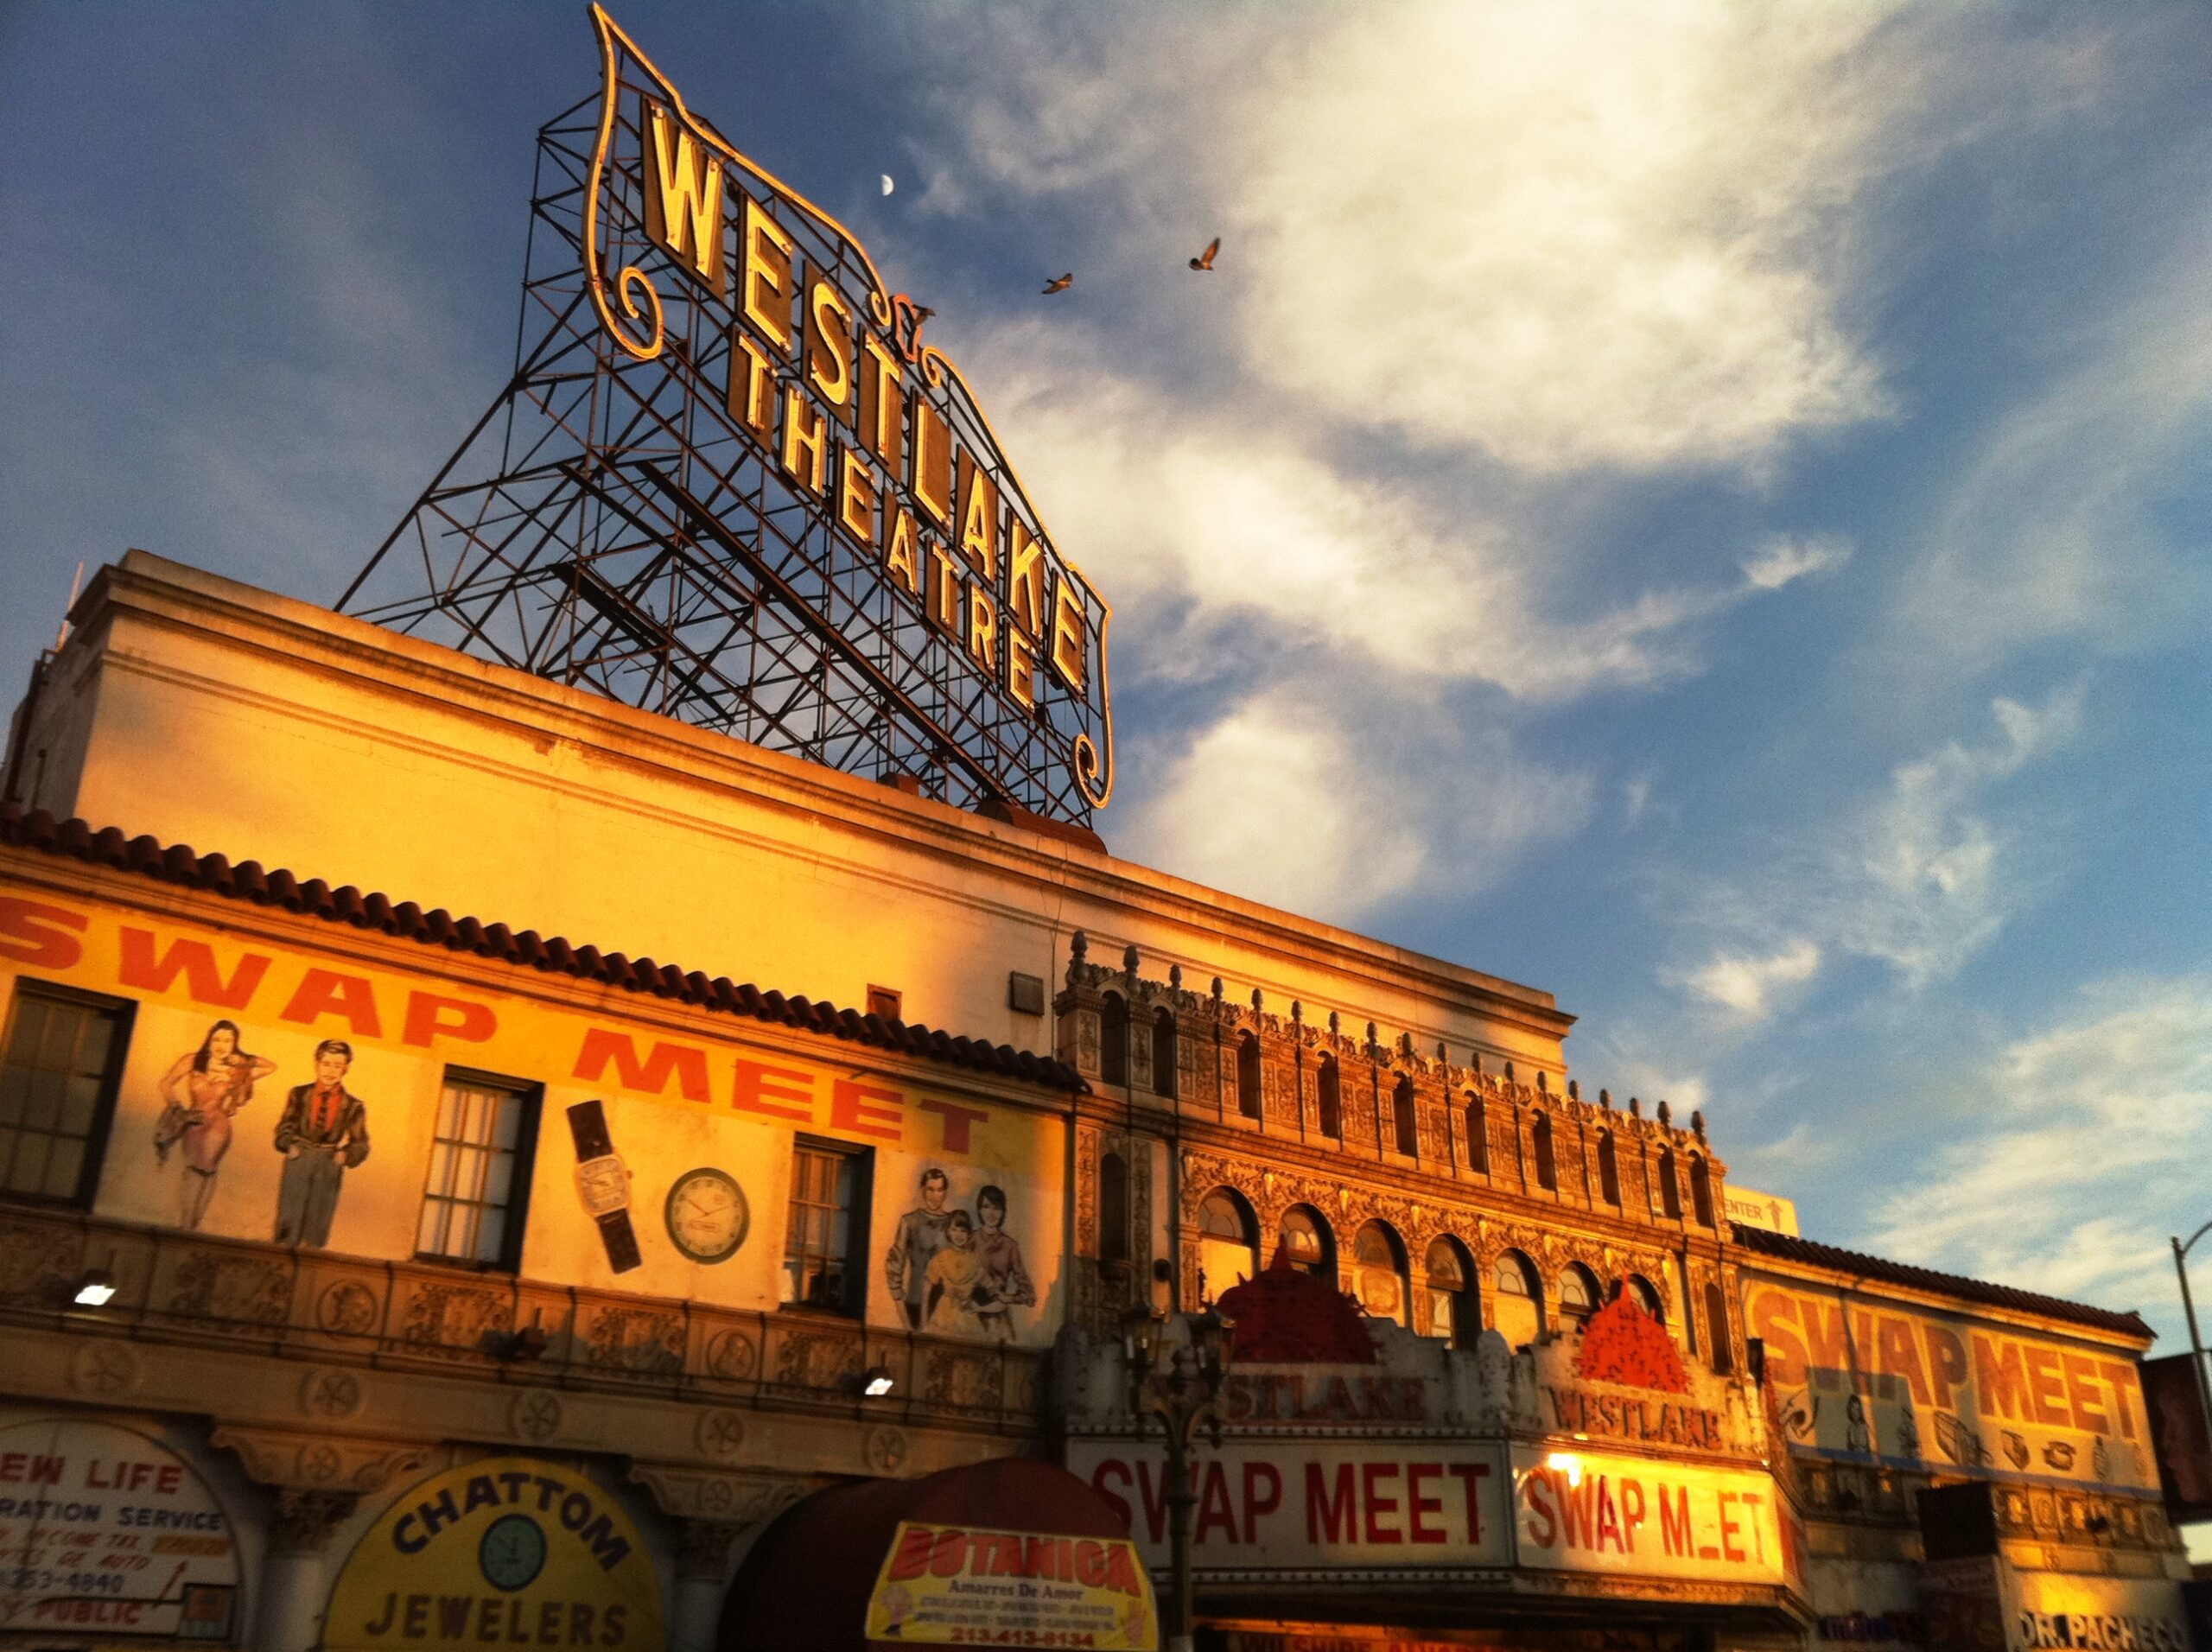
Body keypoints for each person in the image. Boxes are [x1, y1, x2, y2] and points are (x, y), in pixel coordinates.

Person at [153, 1020, 276, 1230]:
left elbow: (271, 1066)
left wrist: (245, 1060)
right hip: (194, 1120)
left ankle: (193, 1223)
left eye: (228, 1041)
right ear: (209, 1039)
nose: (221, 1044)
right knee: (192, 1167)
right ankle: (187, 1221)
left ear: (234, 1044)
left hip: (217, 1124)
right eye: (217, 1038)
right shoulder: (193, 1061)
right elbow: (166, 1083)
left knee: (206, 1167)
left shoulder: (237, 1071)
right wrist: (177, 1107)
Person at [272, 1039, 371, 1248]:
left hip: (328, 1161)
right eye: (326, 1063)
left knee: (318, 1221)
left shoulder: (353, 1105)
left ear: (346, 1068)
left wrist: (345, 1155)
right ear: (316, 1064)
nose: (331, 1071)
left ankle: (310, 1268)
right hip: (300, 1157)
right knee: (289, 1217)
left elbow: (361, 1142)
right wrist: (289, 1145)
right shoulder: (299, 1094)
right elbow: (284, 1126)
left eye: (337, 1065)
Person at [883, 1167, 953, 1329]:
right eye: (931, 1190)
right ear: (923, 1191)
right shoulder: (910, 1221)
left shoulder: (954, 1225)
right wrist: (904, 1317)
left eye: (940, 1190)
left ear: (945, 1192)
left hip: (945, 1309)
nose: (936, 1196)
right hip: (915, 1301)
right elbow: (894, 1267)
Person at [970, 1185, 1035, 1342]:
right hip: (971, 1317)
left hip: (998, 1320)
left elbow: (1029, 1295)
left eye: (996, 1208)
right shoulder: (970, 1240)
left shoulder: (1010, 1245)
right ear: (979, 1209)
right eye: (986, 1207)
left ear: (1003, 1212)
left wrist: (1008, 1298)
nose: (991, 1213)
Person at [922, 1210, 991, 1336]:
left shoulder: (975, 1260)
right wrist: (924, 1325)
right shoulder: (940, 1258)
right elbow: (926, 1293)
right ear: (948, 1231)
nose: (959, 1235)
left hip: (968, 1315)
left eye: (963, 1231)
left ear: (969, 1233)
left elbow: (991, 1288)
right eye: (954, 1230)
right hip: (944, 1315)